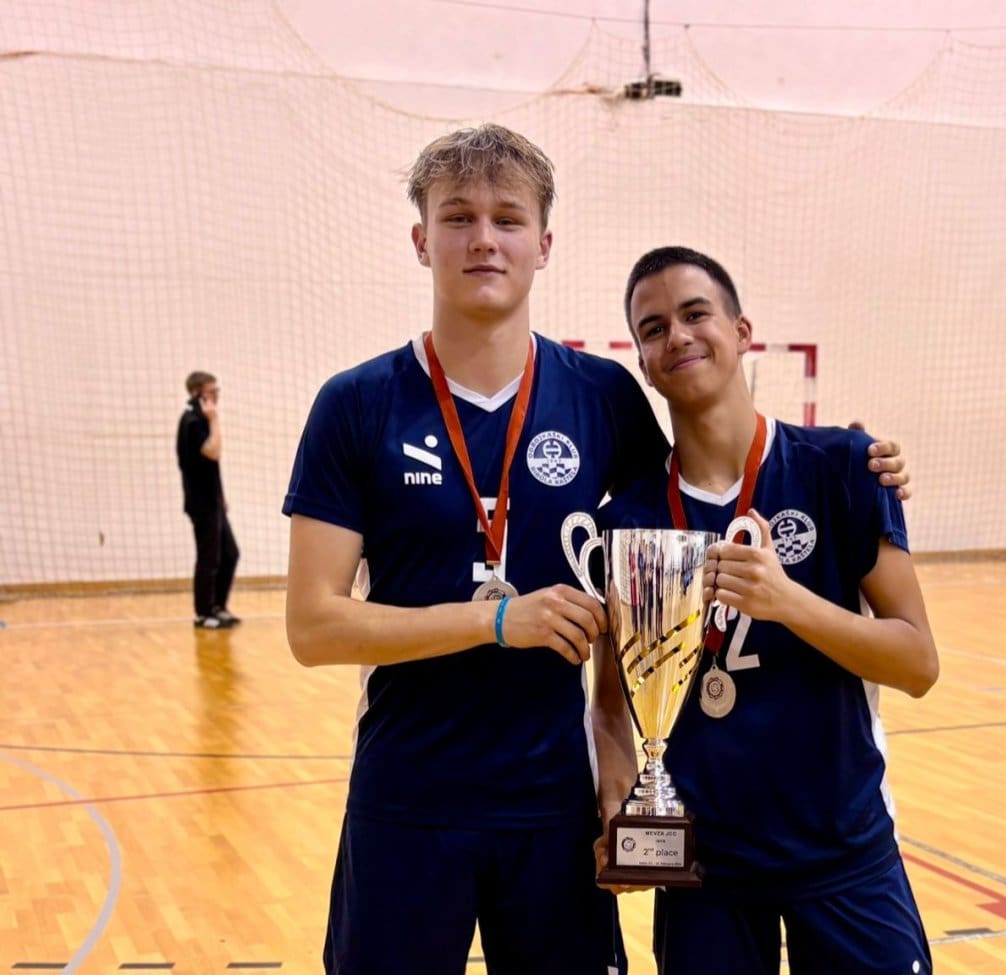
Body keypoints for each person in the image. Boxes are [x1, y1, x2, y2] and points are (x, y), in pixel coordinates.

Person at [282, 125, 911, 975]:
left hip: (556, 805)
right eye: (458, 216)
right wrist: (496, 622)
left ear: (543, 245)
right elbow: (313, 626)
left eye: (508, 218)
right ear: (421, 239)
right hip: (408, 796)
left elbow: (701, 488)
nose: (483, 238)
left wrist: (856, 463)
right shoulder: (355, 405)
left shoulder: (604, 397)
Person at [593, 246, 939, 975]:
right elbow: (612, 706)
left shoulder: (844, 467)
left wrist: (790, 603)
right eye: (653, 329)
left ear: (742, 331)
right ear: (644, 364)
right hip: (706, 875)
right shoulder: (628, 519)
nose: (677, 336)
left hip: (843, 854)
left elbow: (918, 662)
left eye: (695, 314)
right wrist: (622, 807)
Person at [177, 370, 240, 629]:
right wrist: (214, 419)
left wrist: (221, 497)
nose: (216, 396)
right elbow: (213, 452)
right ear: (197, 394)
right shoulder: (192, 421)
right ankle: (203, 614)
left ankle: (217, 606)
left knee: (230, 553)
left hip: (213, 501)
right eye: (211, 392)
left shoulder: (200, 419)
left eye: (217, 391)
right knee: (209, 558)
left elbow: (210, 468)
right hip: (201, 504)